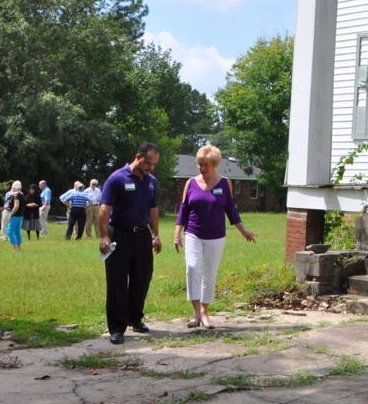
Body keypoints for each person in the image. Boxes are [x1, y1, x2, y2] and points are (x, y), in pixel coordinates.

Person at [173, 145, 256, 329]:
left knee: (209, 275)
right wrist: (176, 235)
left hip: (216, 236)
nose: (202, 169)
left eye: (206, 165)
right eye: (200, 165)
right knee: (192, 268)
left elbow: (231, 210)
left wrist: (244, 231)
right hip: (193, 233)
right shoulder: (191, 183)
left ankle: (204, 312)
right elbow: (183, 211)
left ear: (215, 164)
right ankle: (195, 312)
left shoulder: (225, 183)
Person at [99, 143, 162, 345]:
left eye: (154, 165)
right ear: (138, 156)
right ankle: (117, 328)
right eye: (148, 163)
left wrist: (155, 235)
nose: (151, 168)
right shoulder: (117, 178)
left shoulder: (151, 181)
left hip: (142, 234)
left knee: (142, 278)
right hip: (119, 233)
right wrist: (103, 236)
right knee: (117, 281)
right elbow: (104, 209)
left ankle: (135, 318)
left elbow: (153, 210)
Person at [3, 181, 24, 251]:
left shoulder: (16, 195)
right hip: (20, 215)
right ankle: (19, 247)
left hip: (16, 215)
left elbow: (16, 206)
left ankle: (15, 248)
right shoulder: (21, 194)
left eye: (12, 187)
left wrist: (11, 214)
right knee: (17, 231)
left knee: (9, 231)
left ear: (14, 187)